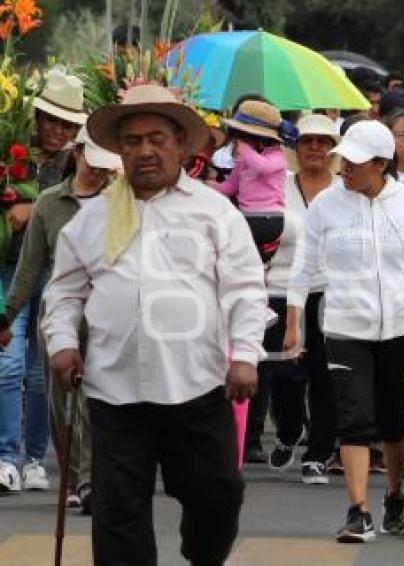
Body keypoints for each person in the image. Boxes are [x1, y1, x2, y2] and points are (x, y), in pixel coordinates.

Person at [42, 84, 267, 564]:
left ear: (181, 145)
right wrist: (62, 342)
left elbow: (245, 287)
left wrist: (245, 355)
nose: (144, 150)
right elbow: (63, 291)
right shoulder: (92, 218)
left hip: (199, 388)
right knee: (118, 516)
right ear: (118, 150)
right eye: (132, 141)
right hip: (114, 392)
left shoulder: (214, 211)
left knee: (218, 495)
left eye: (157, 139)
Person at [283, 120, 404, 542]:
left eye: (357, 162)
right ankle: (358, 511)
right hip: (344, 326)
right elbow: (303, 265)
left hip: (400, 326)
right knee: (354, 418)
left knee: (395, 423)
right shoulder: (326, 204)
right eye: (345, 160)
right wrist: (293, 324)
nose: (346, 168)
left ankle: (394, 496)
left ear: (382, 164)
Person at [0, 126, 120, 511]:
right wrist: (8, 316)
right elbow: (29, 266)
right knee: (60, 399)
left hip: (105, 312)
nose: (99, 173)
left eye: (106, 168)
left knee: (92, 399)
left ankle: (88, 480)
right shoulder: (50, 203)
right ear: (79, 153)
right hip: (60, 312)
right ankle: (68, 476)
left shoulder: (120, 201)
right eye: (94, 163)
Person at [0, 69, 86, 495]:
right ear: (35, 117)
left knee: (39, 371)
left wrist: (31, 211)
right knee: (10, 363)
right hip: (7, 270)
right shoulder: (8, 151)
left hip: (54, 273)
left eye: (69, 124)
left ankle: (36, 458)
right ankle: (7, 457)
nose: (59, 130)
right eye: (52, 120)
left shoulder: (74, 162)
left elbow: (73, 208)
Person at [255, 114, 338, 487]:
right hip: (280, 289)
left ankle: (318, 454)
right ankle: (289, 430)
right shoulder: (278, 186)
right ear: (295, 147)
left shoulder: (344, 190)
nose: (316, 148)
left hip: (329, 291)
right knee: (284, 374)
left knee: (325, 376)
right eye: (308, 141)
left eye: (323, 141)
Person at [212, 100, 288, 264]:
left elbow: (262, 167)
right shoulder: (244, 161)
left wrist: (242, 147)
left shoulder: (277, 156)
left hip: (268, 219)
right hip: (246, 217)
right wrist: (204, 184)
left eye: (244, 137)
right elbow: (230, 187)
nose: (238, 142)